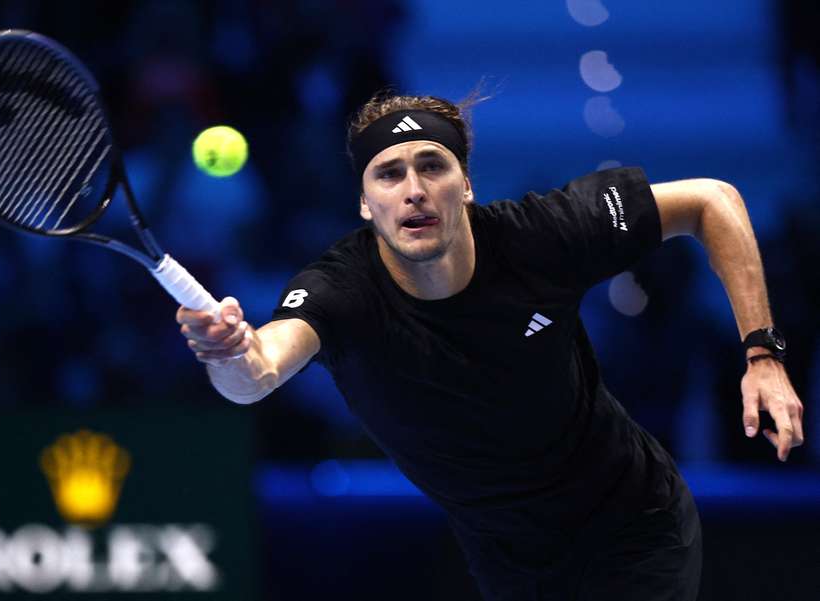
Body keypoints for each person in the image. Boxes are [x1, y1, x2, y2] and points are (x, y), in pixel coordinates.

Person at [176, 92, 805, 600]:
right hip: (508, 561)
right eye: (389, 174)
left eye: (432, 166)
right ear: (366, 205)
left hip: (632, 526)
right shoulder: (341, 291)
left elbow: (712, 201)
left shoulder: (541, 236)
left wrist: (764, 355)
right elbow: (254, 375)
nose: (413, 189)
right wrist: (225, 351)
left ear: (466, 185)